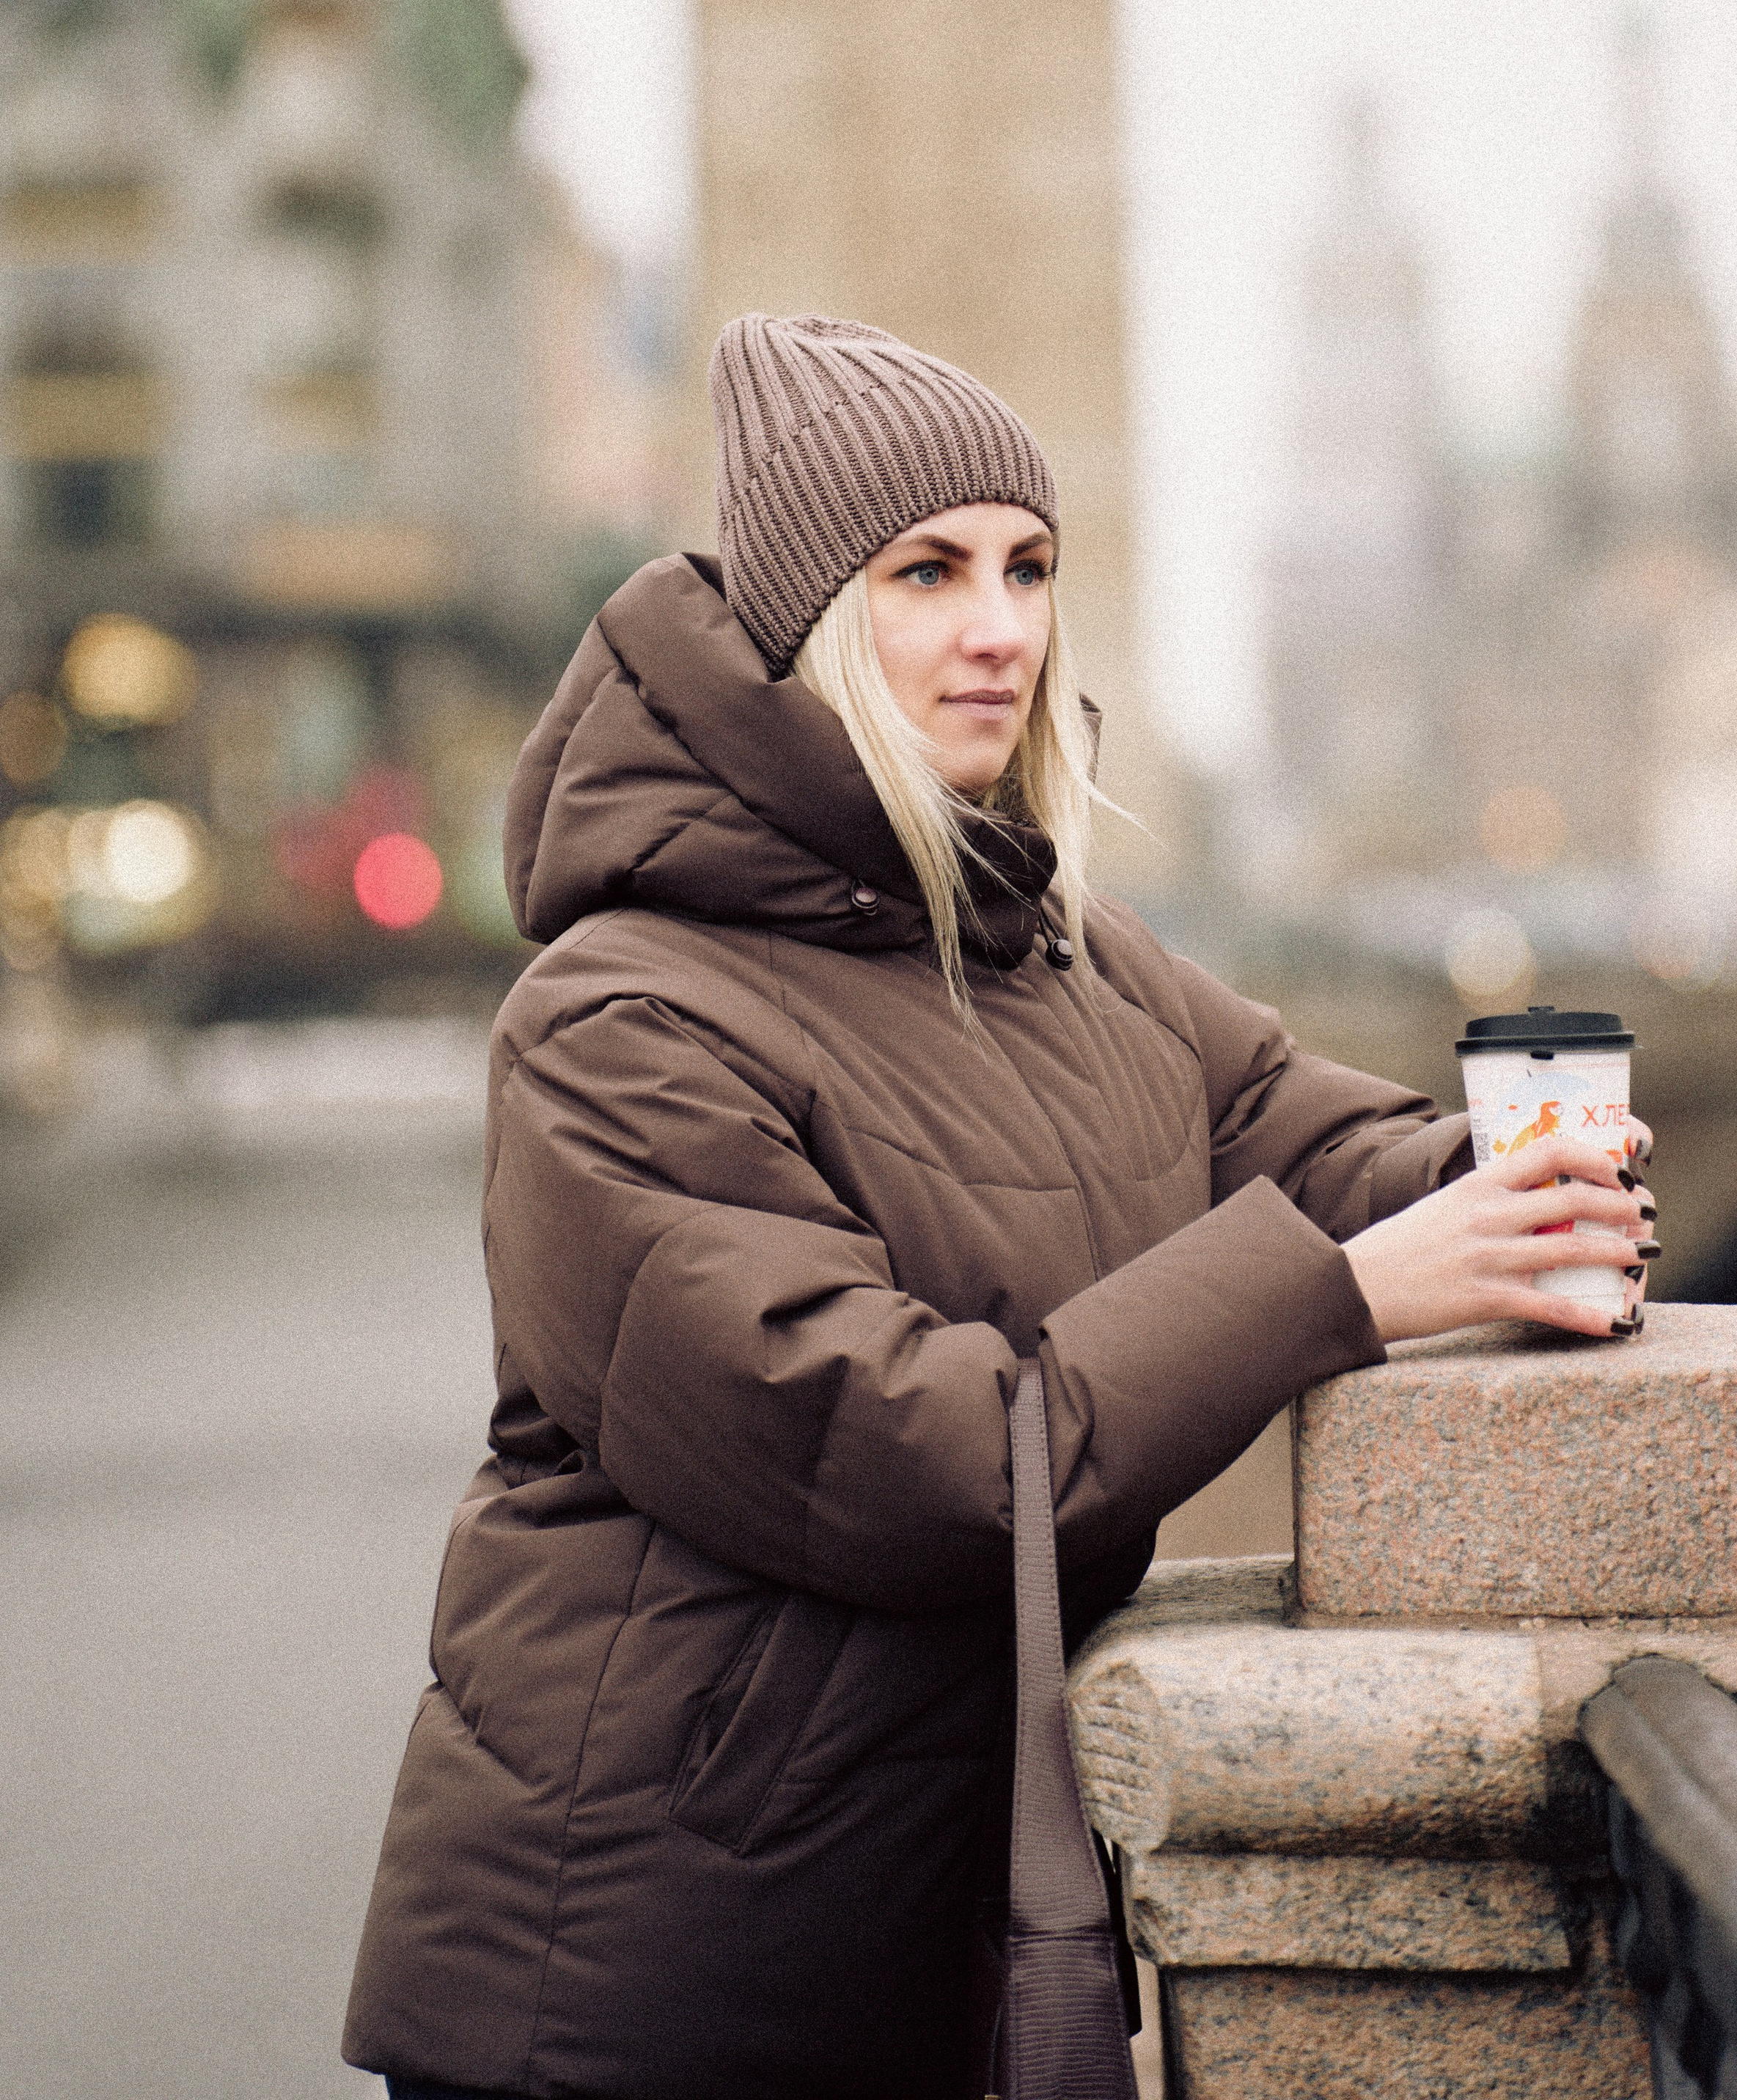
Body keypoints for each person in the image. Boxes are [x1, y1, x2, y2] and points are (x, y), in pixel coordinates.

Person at [344, 313, 1653, 2100]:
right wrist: (1346, 1295)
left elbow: (1304, 1135)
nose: (999, 628)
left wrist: (1520, 1173)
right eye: (927, 572)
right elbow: (911, 1458)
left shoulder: (1066, 954)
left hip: (927, 1935)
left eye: (1029, 568)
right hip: (646, 1982)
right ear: (808, 621)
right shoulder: (617, 1021)